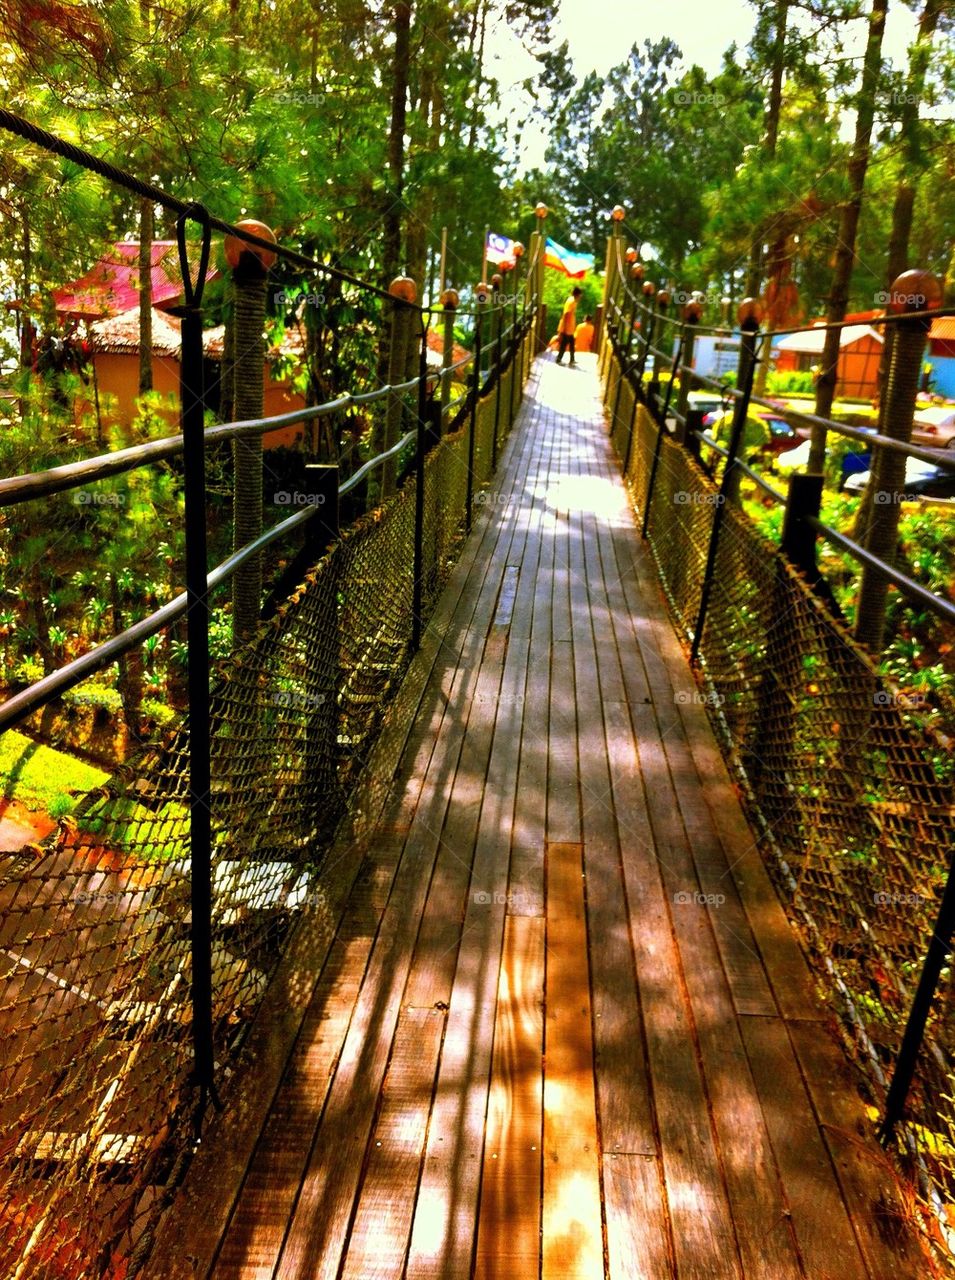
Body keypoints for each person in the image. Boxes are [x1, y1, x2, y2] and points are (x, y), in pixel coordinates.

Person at [555, 286, 583, 365]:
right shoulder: (572, 302)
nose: (580, 298)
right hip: (567, 327)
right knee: (564, 344)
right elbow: (566, 314)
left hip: (569, 327)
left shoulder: (572, 300)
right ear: (578, 295)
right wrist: (564, 328)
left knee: (571, 343)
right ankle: (558, 359)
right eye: (580, 295)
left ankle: (572, 359)